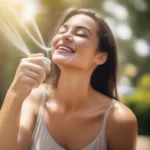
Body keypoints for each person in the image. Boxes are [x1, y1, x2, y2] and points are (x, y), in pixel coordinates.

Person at [0, 8, 138, 150]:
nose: (65, 36)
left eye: (81, 34)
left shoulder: (119, 120)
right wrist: (15, 93)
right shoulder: (34, 99)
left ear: (100, 57)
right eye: (62, 31)